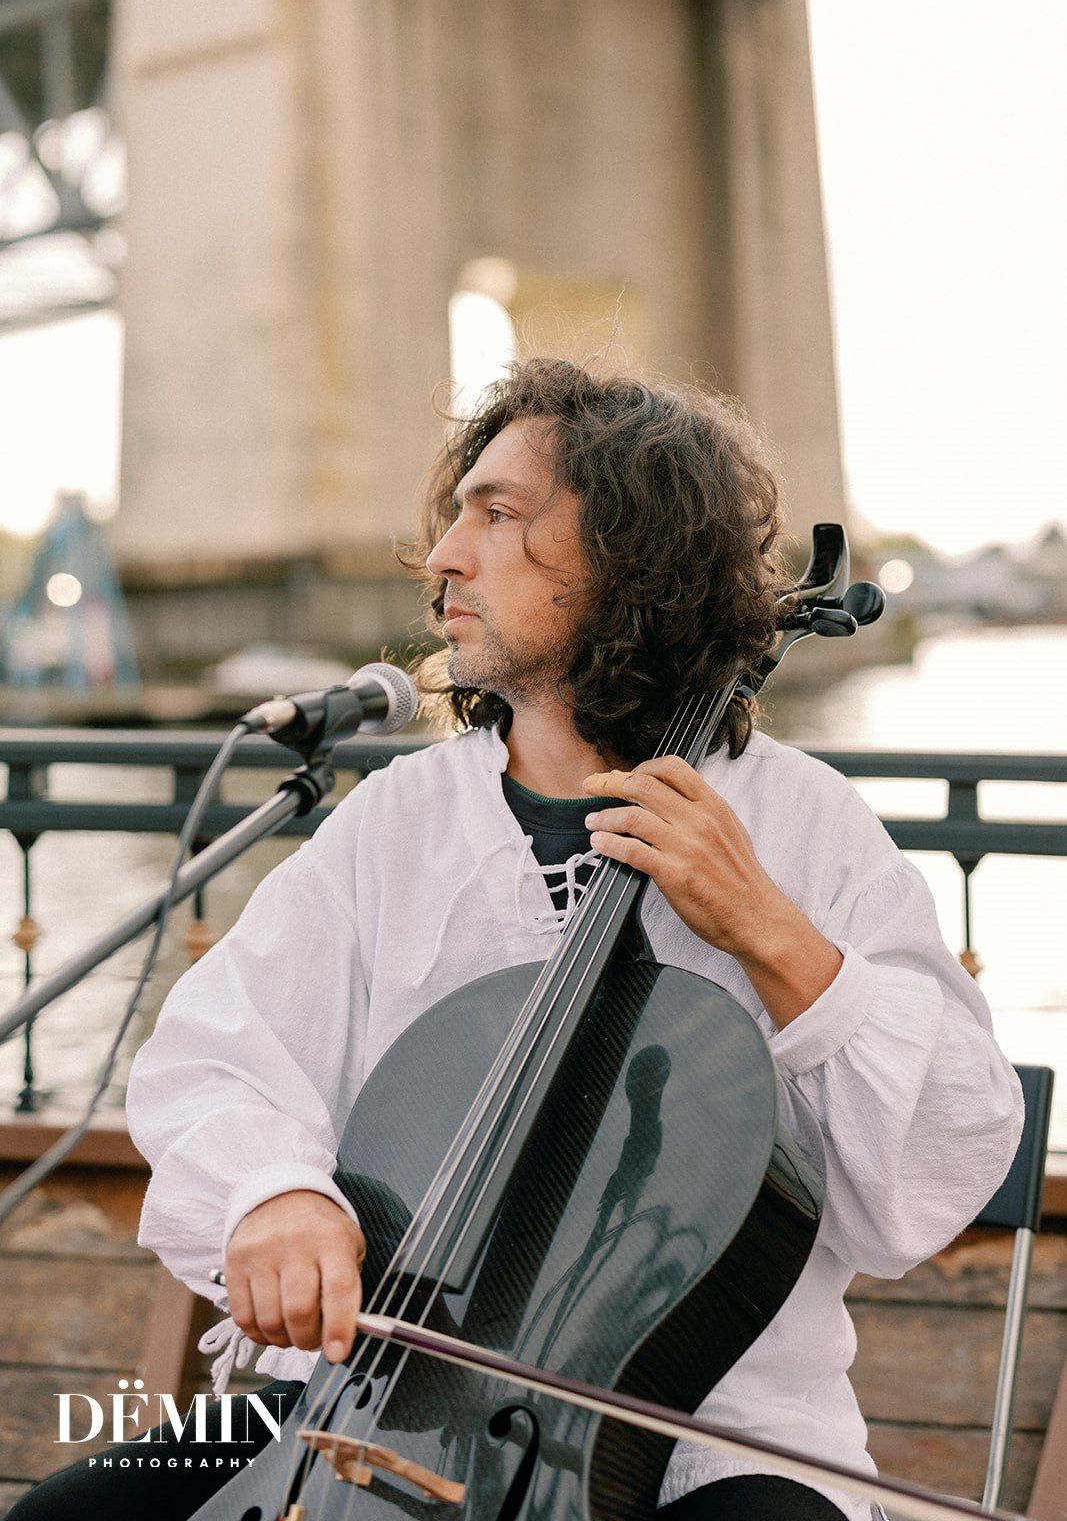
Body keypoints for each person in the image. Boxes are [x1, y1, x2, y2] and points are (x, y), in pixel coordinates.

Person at [12, 360, 1023, 1521]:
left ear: (632, 560)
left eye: (496, 516)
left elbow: (936, 1164)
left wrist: (773, 936)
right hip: (366, 1396)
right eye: (458, 514)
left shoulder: (803, 825)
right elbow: (217, 1058)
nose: (444, 554)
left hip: (710, 1434)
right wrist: (275, 1195)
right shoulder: (395, 821)